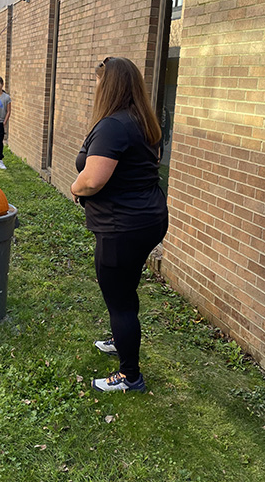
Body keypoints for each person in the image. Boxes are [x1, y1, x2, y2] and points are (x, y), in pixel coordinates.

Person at [70, 57, 168, 393]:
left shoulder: (114, 125)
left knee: (119, 300)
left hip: (121, 226)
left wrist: (74, 187)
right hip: (147, 220)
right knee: (125, 289)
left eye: (98, 81)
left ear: (109, 86)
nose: (95, 87)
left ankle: (130, 377)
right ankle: (120, 339)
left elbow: (93, 180)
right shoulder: (144, 121)